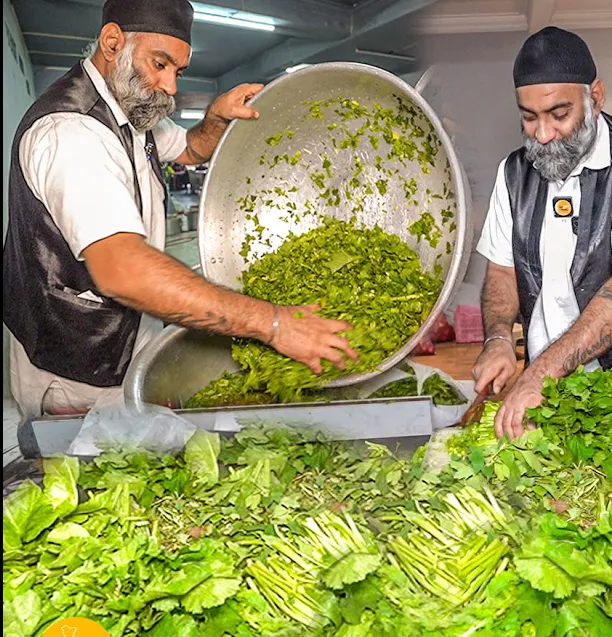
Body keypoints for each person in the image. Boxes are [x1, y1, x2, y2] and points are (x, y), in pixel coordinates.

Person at [3, 0, 356, 421]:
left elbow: (188, 148)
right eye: (160, 64)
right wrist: (276, 324)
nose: (170, 85)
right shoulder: (72, 134)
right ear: (113, 42)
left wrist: (216, 118)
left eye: (178, 71)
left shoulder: (130, 107)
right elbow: (125, 272)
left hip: (129, 349)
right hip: (77, 373)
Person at [471, 26, 612, 438]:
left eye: (559, 114)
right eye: (529, 117)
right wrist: (497, 339)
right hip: (549, 397)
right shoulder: (512, 173)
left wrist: (540, 373)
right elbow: (501, 273)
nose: (544, 134)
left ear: (596, 97)